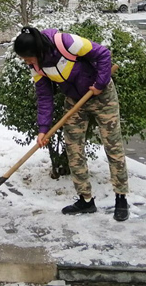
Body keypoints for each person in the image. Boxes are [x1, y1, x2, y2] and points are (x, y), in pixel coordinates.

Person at [13, 26, 129, 222]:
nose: (26, 62)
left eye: (27, 58)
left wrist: (100, 84)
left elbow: (102, 53)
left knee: (112, 145)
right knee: (73, 148)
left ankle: (121, 198)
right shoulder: (36, 66)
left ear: (38, 51)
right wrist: (43, 129)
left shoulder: (65, 42)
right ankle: (85, 200)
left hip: (101, 95)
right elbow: (44, 96)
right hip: (75, 100)